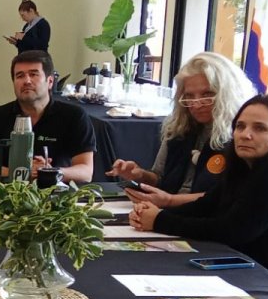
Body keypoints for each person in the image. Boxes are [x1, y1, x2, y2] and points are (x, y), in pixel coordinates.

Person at [130, 95, 268, 299]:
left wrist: (160, 220)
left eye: (260, 128)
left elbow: (233, 231)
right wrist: (154, 213)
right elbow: (206, 206)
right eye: (240, 126)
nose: (245, 134)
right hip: (265, 266)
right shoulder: (245, 165)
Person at [107, 52, 253, 208]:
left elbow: (229, 196)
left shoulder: (242, 137)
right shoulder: (179, 128)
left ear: (227, 95)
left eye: (207, 94)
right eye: (189, 96)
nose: (196, 104)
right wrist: (140, 175)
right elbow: (160, 177)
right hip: (166, 210)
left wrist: (170, 201)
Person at [0, 50, 95, 183]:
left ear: (50, 81)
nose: (27, 81)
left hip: (55, 189)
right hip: (5, 190)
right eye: (20, 76)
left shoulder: (74, 116)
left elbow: (85, 172)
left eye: (33, 74)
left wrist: (50, 172)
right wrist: (27, 173)